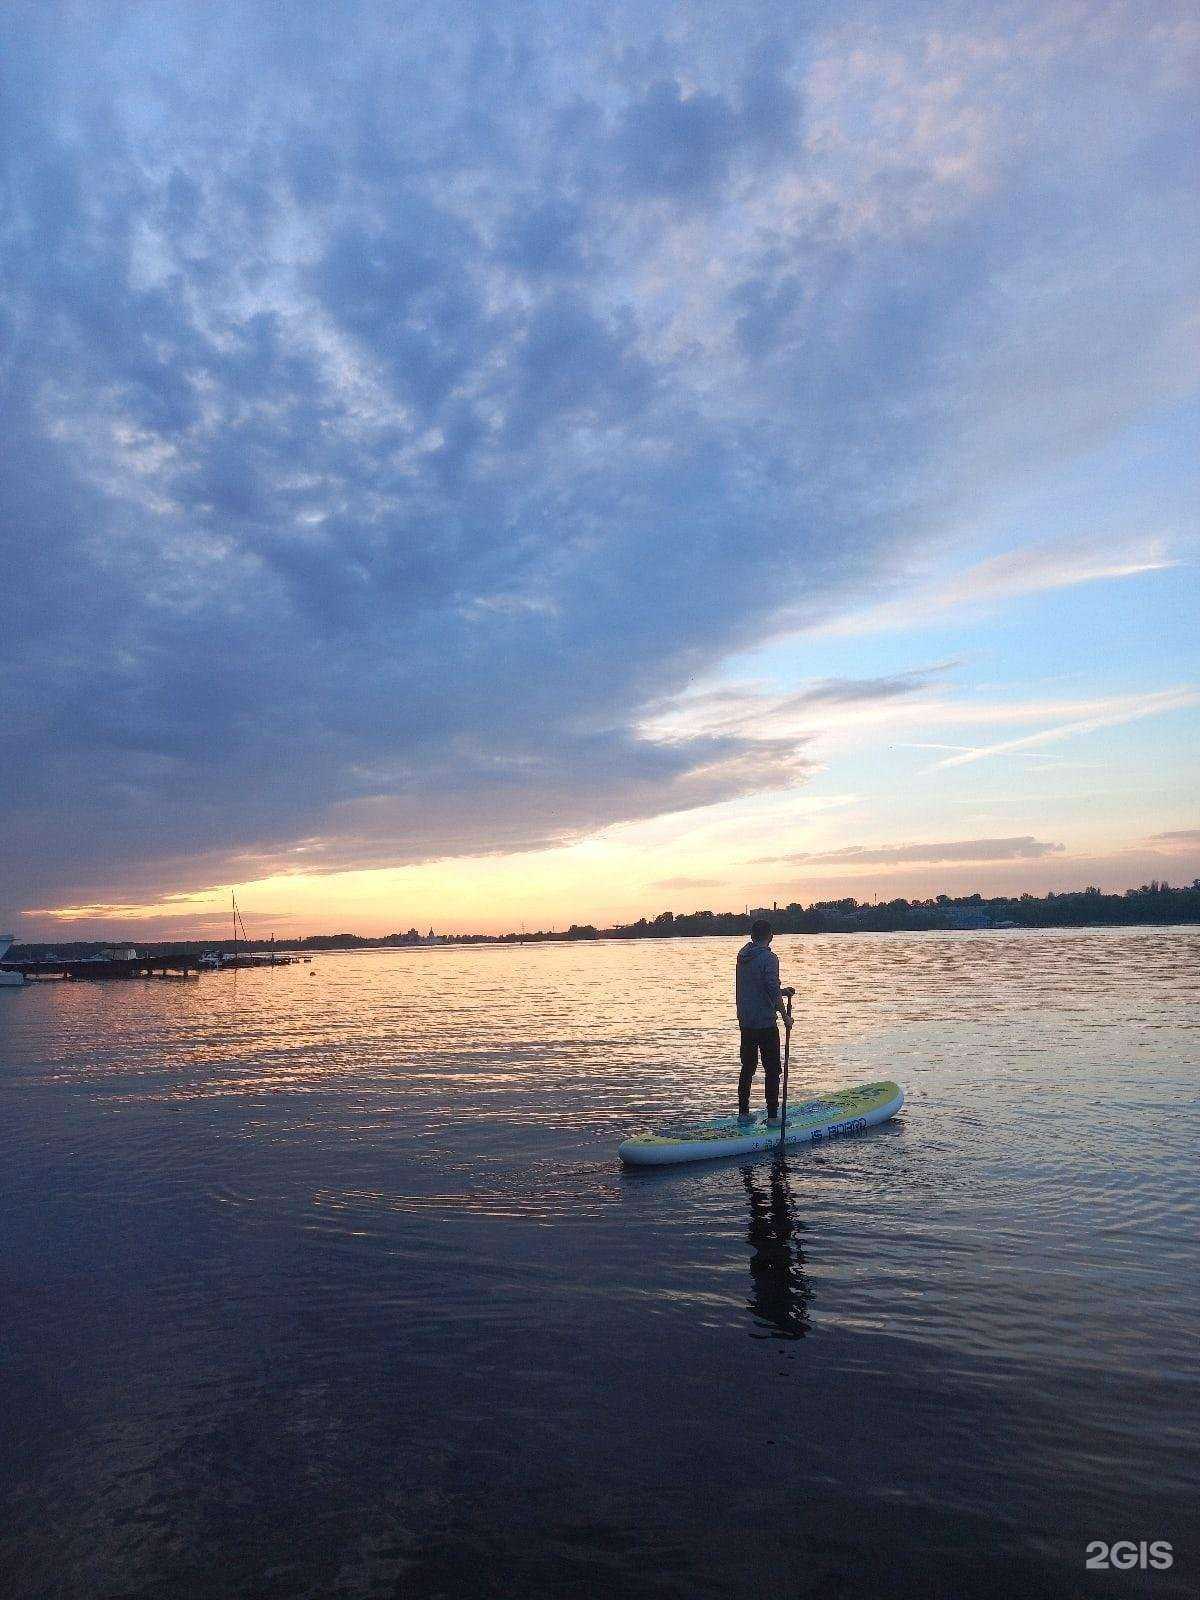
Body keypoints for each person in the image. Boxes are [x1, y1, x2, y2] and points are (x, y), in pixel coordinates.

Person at [735, 919, 794, 1124]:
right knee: (772, 1069)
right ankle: (772, 1116)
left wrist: (782, 991)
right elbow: (769, 988)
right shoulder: (769, 958)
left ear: (752, 936)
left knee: (748, 1067)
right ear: (771, 936)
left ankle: (743, 1114)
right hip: (765, 1023)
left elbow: (758, 986)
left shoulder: (742, 956)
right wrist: (785, 1017)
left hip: (746, 1021)